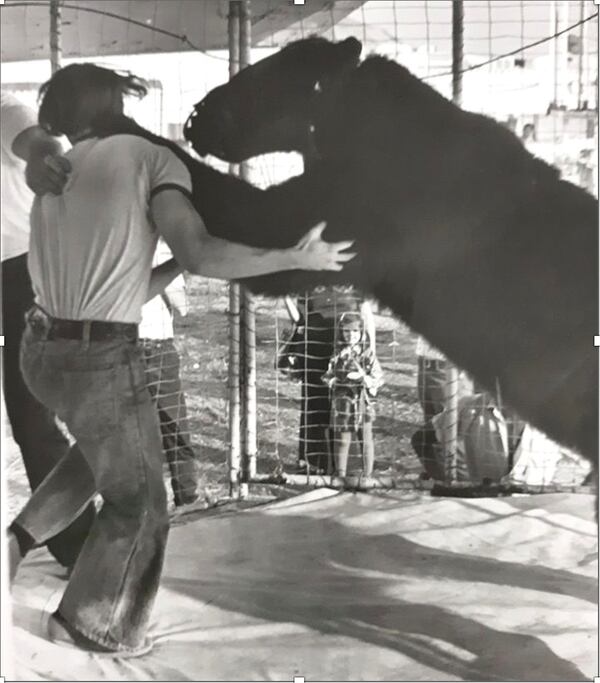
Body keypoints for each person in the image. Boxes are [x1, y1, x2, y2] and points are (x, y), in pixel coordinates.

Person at [7, 63, 355, 657]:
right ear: (120, 103)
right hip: (99, 358)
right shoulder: (149, 158)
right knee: (141, 503)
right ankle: (93, 624)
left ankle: (14, 542)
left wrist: (166, 262)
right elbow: (202, 254)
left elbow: (119, 287)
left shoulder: (53, 179)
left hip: (41, 349)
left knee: (100, 452)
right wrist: (295, 256)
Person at [1, 90, 95, 570]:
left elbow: (36, 141)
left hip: (14, 277)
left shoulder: (5, 107)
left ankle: (79, 546)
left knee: (32, 417)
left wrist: (44, 159)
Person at [285, 286, 375, 474]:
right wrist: (284, 297)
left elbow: (367, 317)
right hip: (315, 351)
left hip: (347, 351)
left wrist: (370, 351)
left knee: (345, 407)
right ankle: (314, 463)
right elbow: (299, 319)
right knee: (316, 405)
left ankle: (342, 466)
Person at [139, 240, 199, 507]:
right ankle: (187, 497)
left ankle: (142, 504)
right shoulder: (160, 246)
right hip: (155, 344)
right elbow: (182, 305)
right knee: (174, 425)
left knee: (135, 431)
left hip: (119, 341)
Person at [322, 312, 383, 483]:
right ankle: (340, 476)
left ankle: (368, 476)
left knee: (366, 439)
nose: (351, 335)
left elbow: (378, 377)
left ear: (362, 332)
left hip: (363, 401)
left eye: (355, 331)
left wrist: (364, 378)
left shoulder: (368, 354)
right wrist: (332, 380)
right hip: (343, 403)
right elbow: (328, 374)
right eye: (347, 331)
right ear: (341, 332)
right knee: (342, 439)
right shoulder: (337, 354)